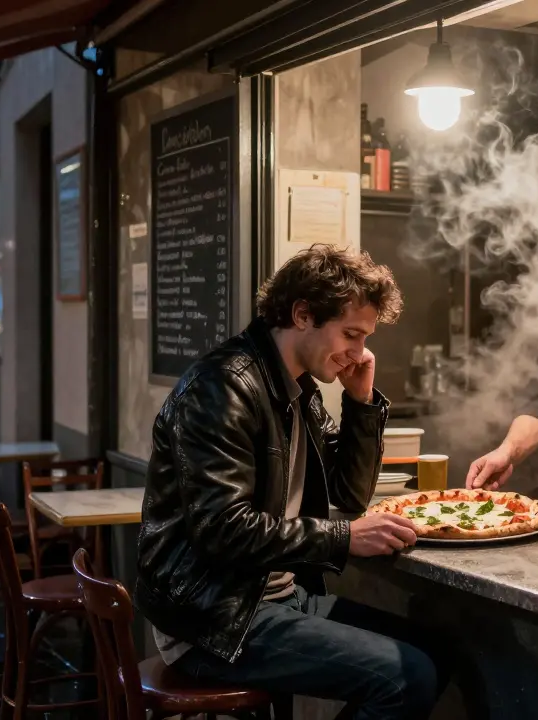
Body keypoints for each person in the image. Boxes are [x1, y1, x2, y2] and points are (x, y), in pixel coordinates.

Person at [136, 244, 445, 720]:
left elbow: (349, 494)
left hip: (274, 598)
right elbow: (223, 530)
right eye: (351, 334)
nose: (359, 352)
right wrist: (344, 538)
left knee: (435, 653)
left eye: (365, 338)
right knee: (409, 676)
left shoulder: (300, 390)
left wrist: (361, 402)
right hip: (211, 618)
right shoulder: (222, 387)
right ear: (302, 315)